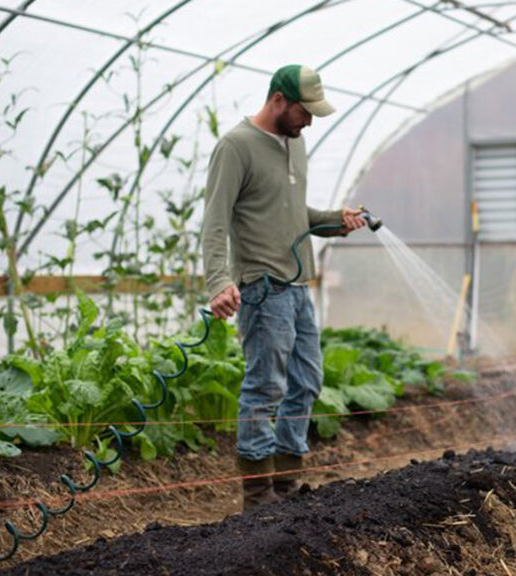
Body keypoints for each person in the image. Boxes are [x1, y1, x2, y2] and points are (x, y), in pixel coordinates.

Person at [201, 64, 367, 511]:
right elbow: (215, 222)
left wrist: (336, 221)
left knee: (307, 380)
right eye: (304, 111)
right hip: (263, 288)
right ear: (278, 100)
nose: (310, 120)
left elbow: (294, 215)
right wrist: (218, 281)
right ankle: (258, 498)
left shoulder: (296, 144)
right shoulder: (236, 147)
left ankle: (287, 488)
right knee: (265, 387)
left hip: (297, 287)